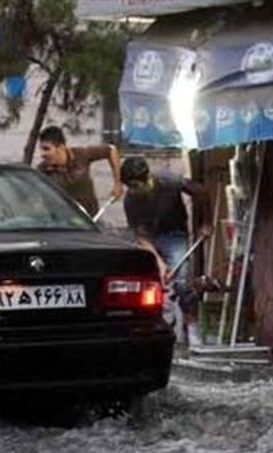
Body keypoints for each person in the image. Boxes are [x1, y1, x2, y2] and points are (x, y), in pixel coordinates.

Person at [120, 155, 212, 346]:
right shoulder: (130, 200)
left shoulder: (168, 181)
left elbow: (200, 192)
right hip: (150, 239)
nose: (132, 191)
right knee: (153, 284)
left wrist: (206, 222)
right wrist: (159, 262)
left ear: (147, 180)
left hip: (174, 234)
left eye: (135, 186)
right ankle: (159, 328)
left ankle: (192, 326)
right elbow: (140, 236)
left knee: (182, 282)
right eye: (129, 187)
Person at [35, 125, 122, 217]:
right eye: (41, 149)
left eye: (46, 149)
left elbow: (111, 150)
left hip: (91, 219)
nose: (42, 154)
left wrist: (117, 183)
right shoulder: (42, 171)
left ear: (60, 147)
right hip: (63, 222)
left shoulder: (81, 155)